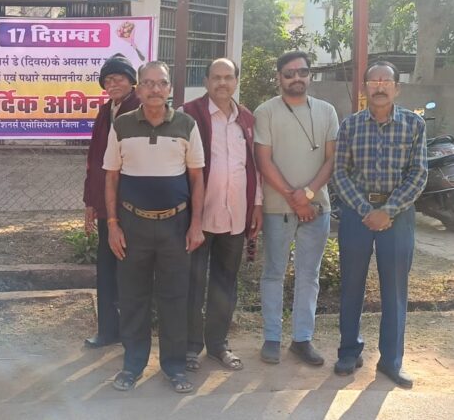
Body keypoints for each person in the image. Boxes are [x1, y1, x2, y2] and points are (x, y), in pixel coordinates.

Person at [103, 61, 205, 394]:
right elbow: (111, 177)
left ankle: (174, 367)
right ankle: (133, 365)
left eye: (161, 83)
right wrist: (113, 225)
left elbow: (196, 177)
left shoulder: (186, 125)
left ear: (169, 88)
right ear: (139, 88)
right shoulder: (122, 125)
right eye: (148, 83)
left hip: (176, 226)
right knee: (133, 297)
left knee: (175, 297)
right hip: (132, 226)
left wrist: (196, 224)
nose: (155, 89)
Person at [332, 61, 427, 388]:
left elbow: (419, 173)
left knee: (395, 289)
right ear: (365, 88)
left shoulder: (414, 125)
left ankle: (391, 361)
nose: (380, 86)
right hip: (356, 215)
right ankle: (349, 352)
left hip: (398, 216)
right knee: (351, 285)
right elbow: (340, 173)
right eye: (374, 81)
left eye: (387, 80)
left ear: (397, 88)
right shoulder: (350, 126)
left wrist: (388, 210)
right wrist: (365, 209)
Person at [253, 50, 339, 365]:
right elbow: (263, 161)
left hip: (317, 209)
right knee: (273, 273)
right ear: (279, 77)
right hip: (278, 209)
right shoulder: (265, 112)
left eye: (302, 72)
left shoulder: (327, 111)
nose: (296, 78)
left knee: (309, 276)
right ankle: (272, 338)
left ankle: (302, 339)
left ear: (310, 75)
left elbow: (332, 158)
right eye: (289, 74)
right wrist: (294, 198)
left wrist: (309, 194)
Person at [180, 58, 262, 372]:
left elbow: (252, 166)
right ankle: (190, 347)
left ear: (236, 81)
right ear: (206, 81)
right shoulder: (189, 114)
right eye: (216, 77)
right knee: (193, 282)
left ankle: (218, 345)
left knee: (225, 283)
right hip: (198, 218)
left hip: (235, 216)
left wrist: (256, 205)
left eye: (228, 77)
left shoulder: (247, 119)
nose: (222, 83)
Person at [82, 54, 140, 348]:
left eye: (119, 78)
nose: (113, 84)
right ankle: (107, 330)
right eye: (108, 80)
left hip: (134, 205)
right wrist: (90, 202)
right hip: (106, 204)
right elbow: (94, 160)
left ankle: (132, 333)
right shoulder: (106, 111)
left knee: (130, 270)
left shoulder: (141, 109)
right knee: (106, 268)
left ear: (132, 81)